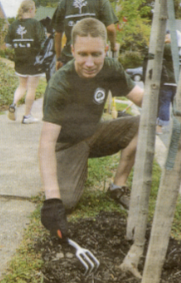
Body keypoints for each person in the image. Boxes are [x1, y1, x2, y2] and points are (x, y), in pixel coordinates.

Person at [39, 18, 144, 240]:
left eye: (96, 54)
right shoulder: (60, 84)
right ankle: (71, 168)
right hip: (67, 143)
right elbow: (46, 143)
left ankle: (118, 187)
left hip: (94, 133)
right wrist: (52, 199)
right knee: (65, 202)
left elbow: (141, 98)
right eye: (83, 54)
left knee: (143, 125)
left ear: (106, 50)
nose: (90, 62)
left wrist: (161, 97)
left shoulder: (111, 67)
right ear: (72, 50)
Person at [52, 0, 118, 70]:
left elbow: (58, 34)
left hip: (71, 59)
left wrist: (59, 58)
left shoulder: (64, 2)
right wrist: (113, 46)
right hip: (94, 59)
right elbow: (110, 29)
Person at [5, 0, 46, 124]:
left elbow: (8, 44)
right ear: (30, 10)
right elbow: (42, 42)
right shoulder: (35, 24)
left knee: (22, 85)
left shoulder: (13, 25)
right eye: (34, 10)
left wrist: (19, 47)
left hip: (19, 59)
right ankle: (27, 116)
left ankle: (13, 104)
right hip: (34, 60)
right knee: (31, 88)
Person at [156, 30, 181, 135]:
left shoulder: (168, 48)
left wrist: (164, 40)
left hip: (167, 81)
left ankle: (159, 128)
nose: (165, 36)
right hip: (178, 82)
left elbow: (157, 47)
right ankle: (178, 129)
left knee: (164, 103)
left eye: (167, 35)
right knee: (177, 105)